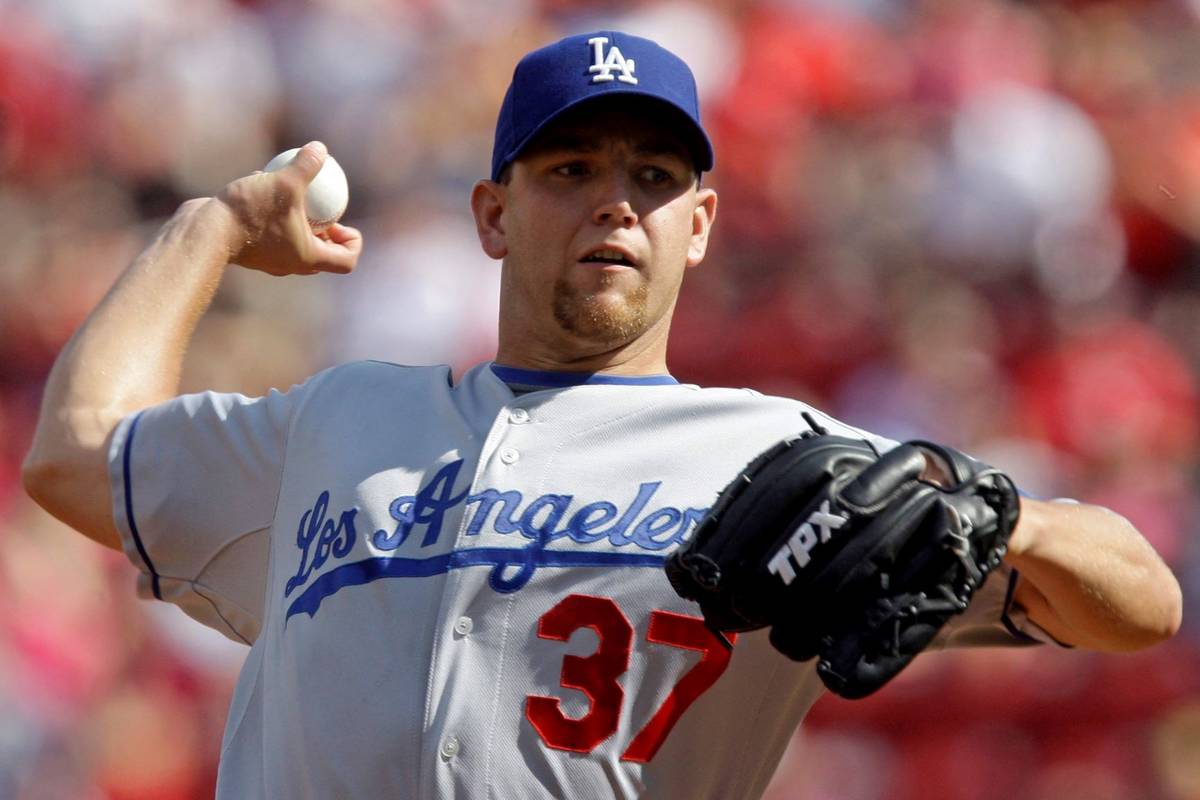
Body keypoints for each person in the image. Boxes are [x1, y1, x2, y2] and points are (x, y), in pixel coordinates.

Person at [23, 31, 1182, 799]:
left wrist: (999, 516)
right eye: (570, 170)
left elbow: (1141, 603)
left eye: (654, 177)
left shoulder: (784, 464)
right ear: (493, 214)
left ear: (704, 223)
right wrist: (212, 225)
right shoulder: (340, 416)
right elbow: (74, 455)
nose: (615, 203)